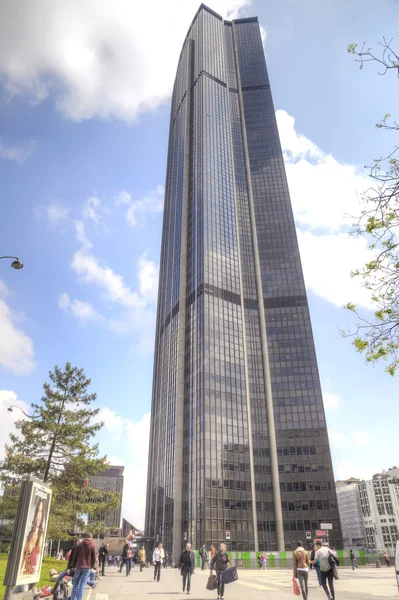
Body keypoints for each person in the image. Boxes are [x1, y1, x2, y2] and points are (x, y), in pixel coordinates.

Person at [20, 498, 48, 577]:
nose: (39, 515)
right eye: (38, 511)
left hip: (32, 573)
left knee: (25, 588)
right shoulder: (29, 533)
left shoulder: (41, 535)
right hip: (24, 572)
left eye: (41, 511)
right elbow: (23, 557)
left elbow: (38, 555)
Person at [70, 533, 97, 600]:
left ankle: (72, 598)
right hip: (87, 567)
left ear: (85, 537)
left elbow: (75, 556)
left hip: (79, 566)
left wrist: (73, 565)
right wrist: (93, 566)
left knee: (75, 584)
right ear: (91, 537)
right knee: (82, 584)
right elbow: (94, 557)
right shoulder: (93, 545)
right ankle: (79, 599)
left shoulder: (80, 544)